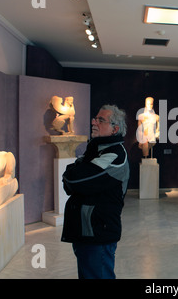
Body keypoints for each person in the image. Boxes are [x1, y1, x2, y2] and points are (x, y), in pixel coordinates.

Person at [61, 104, 130, 279]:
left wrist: (73, 175)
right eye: (95, 118)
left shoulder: (115, 154)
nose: (94, 122)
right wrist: (73, 175)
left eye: (101, 120)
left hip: (98, 232)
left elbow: (75, 179)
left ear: (115, 128)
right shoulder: (97, 150)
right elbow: (71, 181)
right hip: (87, 230)